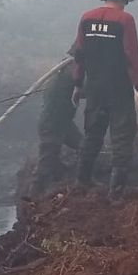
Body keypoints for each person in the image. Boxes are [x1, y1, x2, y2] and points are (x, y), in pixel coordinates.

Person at [72, 0, 138, 193]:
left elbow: (79, 55)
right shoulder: (125, 20)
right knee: (122, 136)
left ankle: (81, 181)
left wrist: (78, 85)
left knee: (92, 134)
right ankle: (116, 192)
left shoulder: (86, 19)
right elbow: (132, 55)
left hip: (94, 87)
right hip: (118, 88)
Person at [31, 46, 84, 194]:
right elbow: (85, 90)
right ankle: (32, 197)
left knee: (83, 146)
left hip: (63, 122)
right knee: (45, 164)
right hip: (52, 124)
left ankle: (75, 179)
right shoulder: (71, 71)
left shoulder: (63, 68)